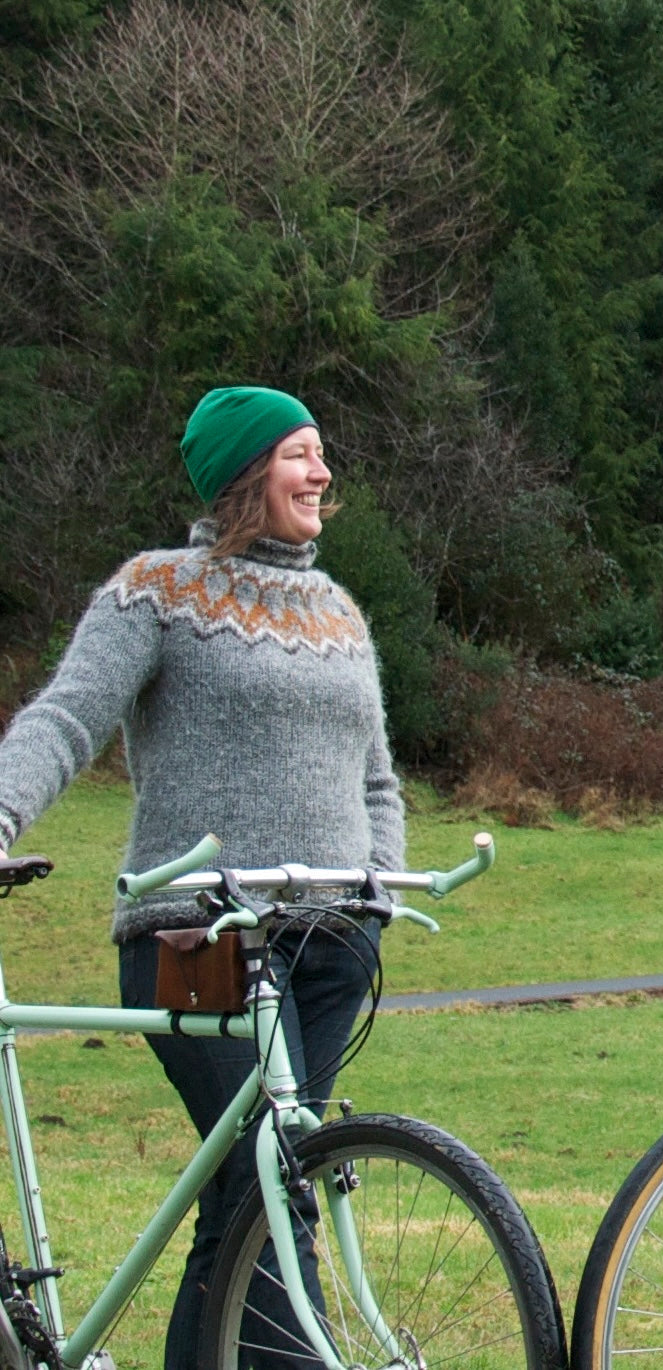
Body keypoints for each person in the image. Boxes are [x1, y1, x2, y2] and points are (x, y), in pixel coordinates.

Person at [0, 385, 405, 1369]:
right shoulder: (156, 589)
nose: (322, 473)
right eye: (299, 454)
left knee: (255, 1194)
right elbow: (67, 717)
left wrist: (379, 888)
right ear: (242, 472)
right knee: (266, 1189)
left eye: (322, 456)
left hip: (331, 947)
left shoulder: (338, 612)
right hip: (199, 940)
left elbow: (378, 777)